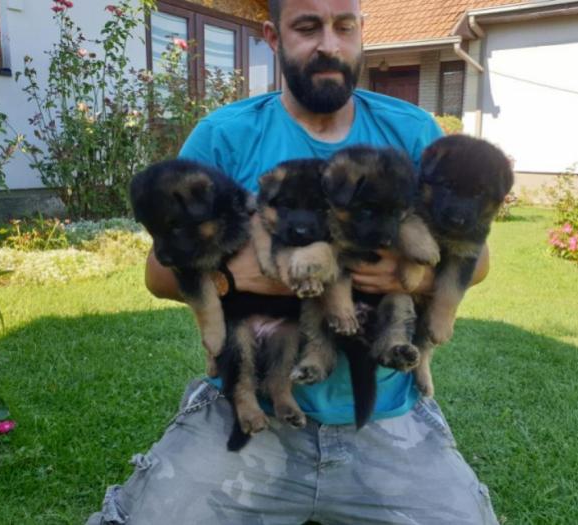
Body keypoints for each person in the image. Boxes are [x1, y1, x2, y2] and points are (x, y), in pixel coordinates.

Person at [87, 0, 498, 523]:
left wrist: (404, 277)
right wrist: (235, 279)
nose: (329, 44)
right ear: (273, 36)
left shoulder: (412, 130)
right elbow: (158, 273)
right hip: (250, 409)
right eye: (307, 27)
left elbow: (476, 257)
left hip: (385, 415)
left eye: (344, 26)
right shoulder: (225, 135)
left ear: (361, 31)